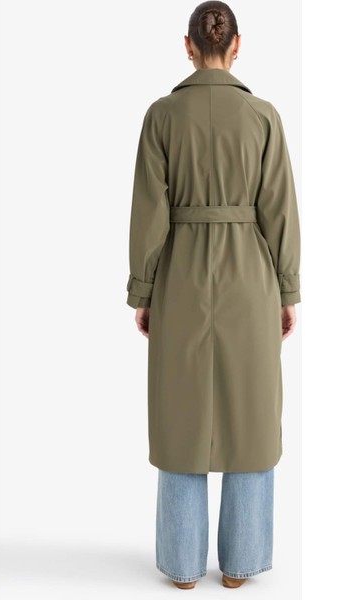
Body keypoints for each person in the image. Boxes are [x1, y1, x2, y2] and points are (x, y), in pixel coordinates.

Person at [126, 0, 301, 591]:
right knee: (251, 417)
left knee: (180, 415)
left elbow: (148, 215)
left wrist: (144, 290)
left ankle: (181, 567)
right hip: (251, 278)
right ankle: (240, 565)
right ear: (237, 45)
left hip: (179, 278)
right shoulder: (263, 116)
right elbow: (280, 211)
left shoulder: (161, 116)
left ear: (188, 46)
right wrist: (287, 289)